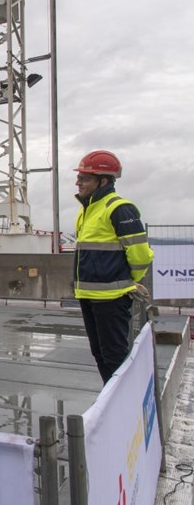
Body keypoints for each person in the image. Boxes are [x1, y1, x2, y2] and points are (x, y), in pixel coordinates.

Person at [73, 150, 153, 384]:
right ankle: (111, 404)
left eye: (85, 178)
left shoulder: (119, 208)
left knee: (115, 355)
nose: (78, 182)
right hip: (88, 294)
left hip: (112, 297)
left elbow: (140, 254)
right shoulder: (87, 209)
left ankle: (125, 409)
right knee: (100, 354)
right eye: (79, 177)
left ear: (103, 181)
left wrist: (129, 280)